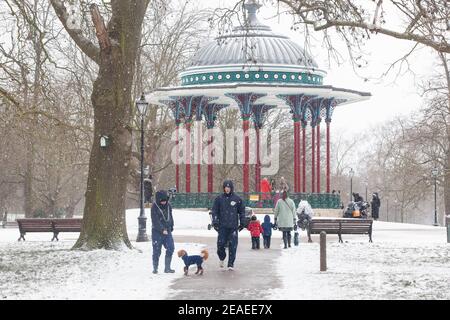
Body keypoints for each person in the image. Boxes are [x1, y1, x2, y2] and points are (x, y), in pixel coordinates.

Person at [211, 180, 246, 270]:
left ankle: (230, 264)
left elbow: (242, 211)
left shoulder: (237, 199)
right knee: (220, 245)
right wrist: (215, 221)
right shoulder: (219, 199)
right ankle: (222, 257)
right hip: (222, 227)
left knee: (233, 245)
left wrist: (242, 222)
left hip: (233, 227)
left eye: (229, 187)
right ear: (223, 188)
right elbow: (214, 211)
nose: (227, 189)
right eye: (226, 187)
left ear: (231, 188)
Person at [150, 190, 175, 274]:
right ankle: (155, 268)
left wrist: (171, 226)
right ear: (158, 200)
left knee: (171, 247)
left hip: (167, 231)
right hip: (157, 232)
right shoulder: (154, 207)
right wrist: (162, 229)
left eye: (165, 200)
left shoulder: (168, 206)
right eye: (162, 201)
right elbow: (155, 220)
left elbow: (170, 216)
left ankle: (167, 268)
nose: (164, 202)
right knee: (157, 250)